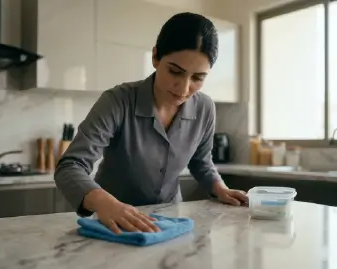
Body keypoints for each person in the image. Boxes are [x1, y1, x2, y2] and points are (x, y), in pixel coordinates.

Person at [54, 12, 248, 234]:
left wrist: (219, 188)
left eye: (198, 78)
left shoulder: (205, 108)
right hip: (114, 222)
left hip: (170, 221)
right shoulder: (118, 100)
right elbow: (70, 166)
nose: (184, 89)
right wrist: (105, 203)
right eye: (175, 71)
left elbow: (201, 162)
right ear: (155, 57)